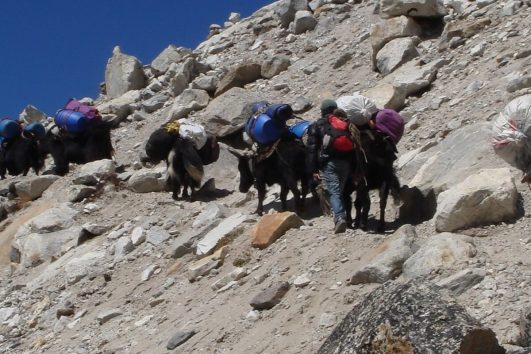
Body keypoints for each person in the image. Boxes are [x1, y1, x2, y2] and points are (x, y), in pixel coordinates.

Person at [306, 99, 360, 234]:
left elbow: (312, 149)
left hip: (329, 163)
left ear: (322, 111)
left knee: (333, 192)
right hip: (347, 162)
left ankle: (340, 218)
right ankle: (345, 217)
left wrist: (313, 169)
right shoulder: (344, 123)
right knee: (339, 190)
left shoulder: (317, 125)